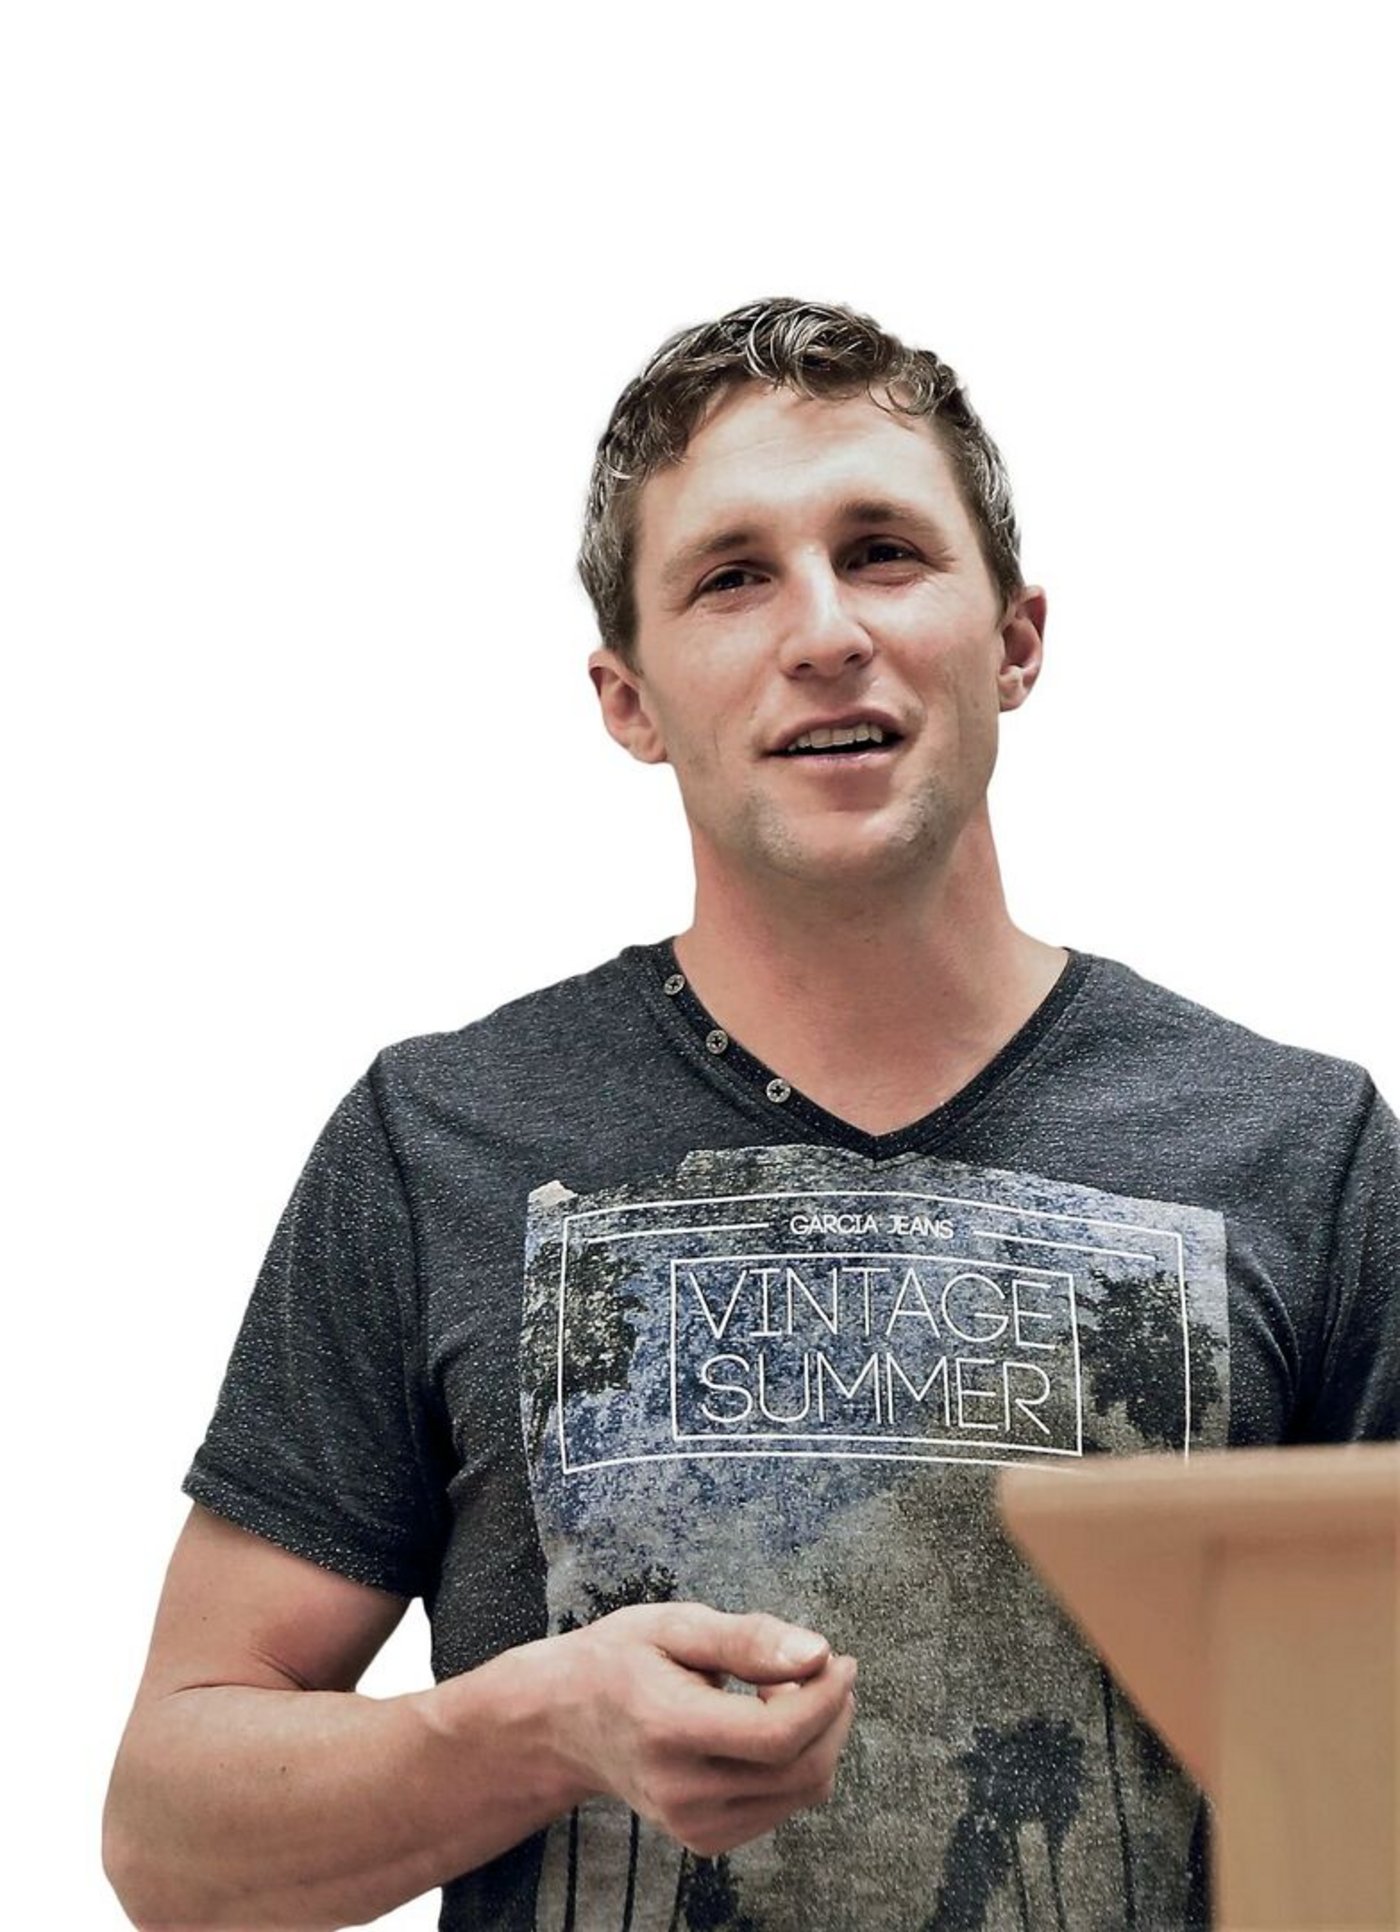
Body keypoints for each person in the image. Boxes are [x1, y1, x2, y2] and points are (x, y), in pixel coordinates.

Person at [104, 297, 1399, 1932]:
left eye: (883, 553)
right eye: (731, 578)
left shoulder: (1302, 1152)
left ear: (1016, 639)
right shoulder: (435, 1142)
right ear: (629, 699)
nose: (825, 631)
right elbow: (170, 1843)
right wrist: (529, 1732)